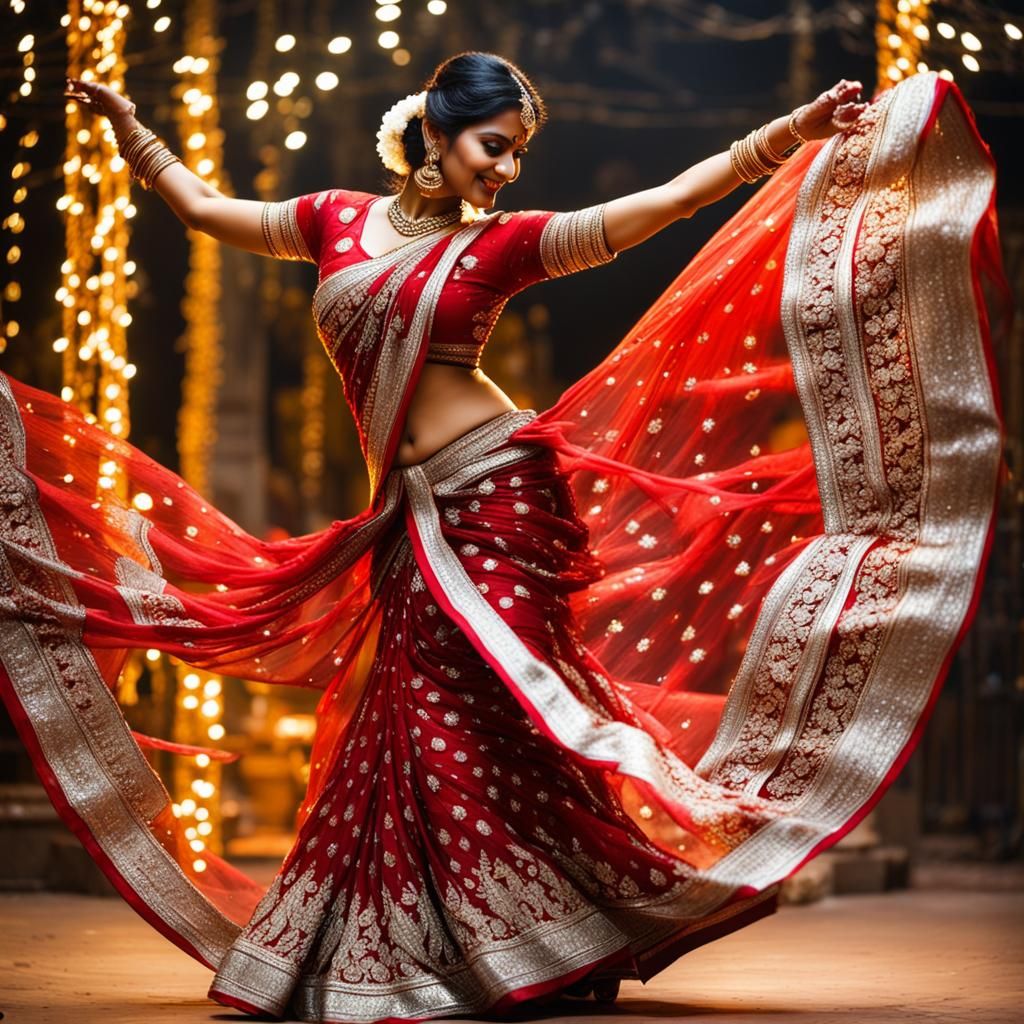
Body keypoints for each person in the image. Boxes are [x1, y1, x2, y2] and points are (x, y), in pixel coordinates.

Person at [0, 51, 1004, 1024]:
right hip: (411, 514)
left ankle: (510, 940)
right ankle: (499, 937)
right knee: (422, 717)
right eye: (494, 144)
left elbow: (654, 209)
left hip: (496, 498)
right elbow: (207, 213)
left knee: (469, 708)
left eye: (518, 152)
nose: (507, 169)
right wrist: (134, 135)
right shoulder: (333, 221)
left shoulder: (500, 243)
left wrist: (782, 136)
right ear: (434, 131)